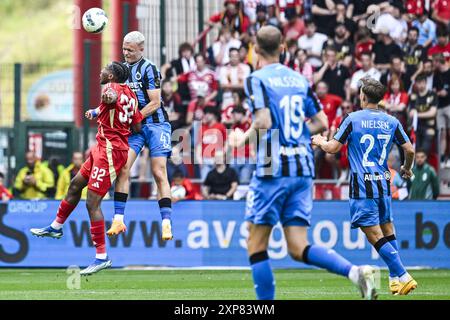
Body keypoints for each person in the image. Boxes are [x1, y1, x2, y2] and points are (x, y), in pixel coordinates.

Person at [229, 26, 378, 300]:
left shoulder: (256, 78)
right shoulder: (299, 79)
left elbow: (263, 122)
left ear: (256, 50)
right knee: (297, 247)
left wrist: (241, 140)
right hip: (303, 167)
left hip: (273, 168)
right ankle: (355, 272)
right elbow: (322, 122)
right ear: (283, 47)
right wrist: (295, 134)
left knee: (255, 243)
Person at [30, 62, 143, 275]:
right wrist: (100, 111)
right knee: (75, 185)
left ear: (110, 76)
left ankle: (101, 256)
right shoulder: (132, 95)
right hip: (102, 148)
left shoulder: (111, 89)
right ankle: (55, 227)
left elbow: (110, 96)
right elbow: (137, 126)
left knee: (92, 202)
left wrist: (109, 101)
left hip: (110, 150)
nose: (100, 72)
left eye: (103, 70)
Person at [312, 77, 418, 296]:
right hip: (382, 183)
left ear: (362, 96)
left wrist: (320, 141)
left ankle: (404, 276)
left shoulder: (352, 119)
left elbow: (333, 148)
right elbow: (409, 150)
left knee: (374, 235)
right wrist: (407, 169)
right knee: (387, 230)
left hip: (362, 185)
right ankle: (394, 279)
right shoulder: (391, 121)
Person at [107, 31, 173, 240]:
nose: (125, 53)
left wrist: (133, 118)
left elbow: (155, 102)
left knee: (159, 171)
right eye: (124, 49)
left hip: (156, 125)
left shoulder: (149, 68)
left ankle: (166, 222)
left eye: (130, 50)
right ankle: (118, 219)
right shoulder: (119, 69)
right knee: (123, 167)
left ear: (141, 49)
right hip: (133, 128)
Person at [409, 73, 438, 155]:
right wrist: (420, 114)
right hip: (417, 128)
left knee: (425, 151)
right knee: (416, 150)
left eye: (422, 82)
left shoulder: (432, 95)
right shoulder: (414, 96)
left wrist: (417, 115)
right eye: (418, 83)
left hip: (428, 127)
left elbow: (432, 113)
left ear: (426, 83)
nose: (420, 85)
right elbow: (411, 113)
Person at [433, 55, 450, 168]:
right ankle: (443, 157)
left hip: (449, 105)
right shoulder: (436, 74)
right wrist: (439, 93)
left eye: (435, 62)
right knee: (442, 132)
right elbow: (434, 90)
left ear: (440, 62)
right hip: (440, 106)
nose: (434, 65)